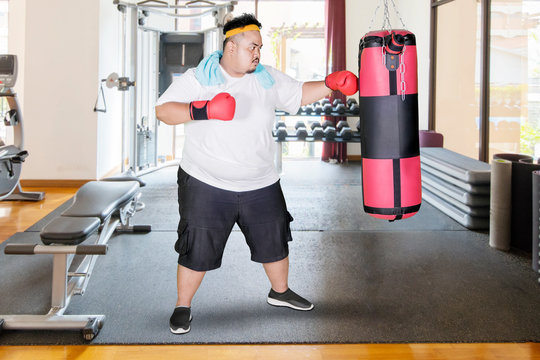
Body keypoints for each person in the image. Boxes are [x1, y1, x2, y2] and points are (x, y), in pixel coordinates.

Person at [155, 13, 358, 335]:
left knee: (274, 238)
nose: (258, 53)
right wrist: (203, 109)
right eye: (252, 47)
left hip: (261, 180)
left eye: (260, 47)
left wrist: (331, 84)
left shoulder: (266, 78)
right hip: (207, 180)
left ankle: (280, 292)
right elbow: (163, 111)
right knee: (197, 245)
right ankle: (183, 305)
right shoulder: (199, 78)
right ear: (231, 47)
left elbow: (299, 94)